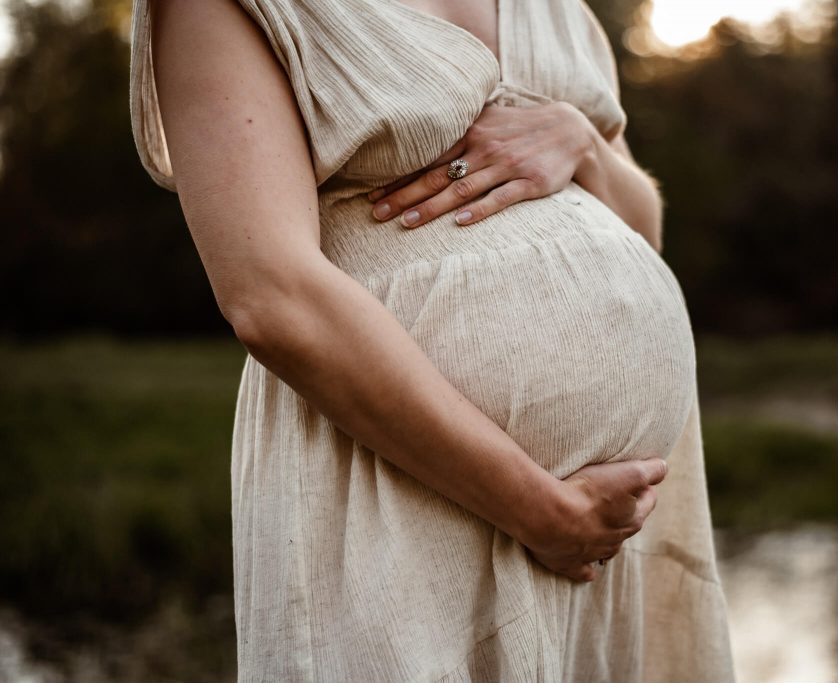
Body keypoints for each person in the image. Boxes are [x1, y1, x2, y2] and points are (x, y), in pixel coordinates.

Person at [129, 0, 735, 680]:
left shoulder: (558, 10)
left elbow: (643, 226)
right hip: (409, 491)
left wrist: (581, 142)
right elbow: (270, 296)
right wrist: (543, 513)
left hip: (607, 542)